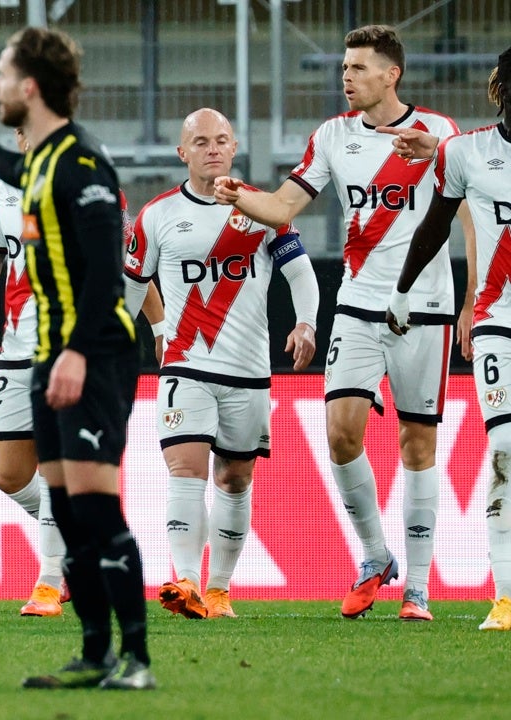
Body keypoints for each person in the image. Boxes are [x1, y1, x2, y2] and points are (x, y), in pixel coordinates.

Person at [214, 25, 475, 621]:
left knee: (417, 443)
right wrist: (239, 195)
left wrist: (468, 302)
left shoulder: (440, 134)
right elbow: (283, 206)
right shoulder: (333, 135)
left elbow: (472, 215)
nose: (346, 77)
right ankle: (375, 555)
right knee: (340, 432)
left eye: (358, 68)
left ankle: (417, 591)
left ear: (392, 74)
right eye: (344, 68)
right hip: (356, 303)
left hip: (425, 307)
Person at [0, 26, 154, 690]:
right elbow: (17, 173)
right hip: (47, 356)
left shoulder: (84, 162)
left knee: (96, 508)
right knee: (65, 510)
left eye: (4, 76)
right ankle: (95, 652)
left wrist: (73, 350)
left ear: (30, 87)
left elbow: (105, 271)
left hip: (92, 356)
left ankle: (138, 661)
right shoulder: (39, 162)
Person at [0, 128, 163, 618]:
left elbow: (126, 267)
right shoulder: (2, 185)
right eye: (20, 128)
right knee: (8, 472)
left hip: (67, 344)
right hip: (16, 344)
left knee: (55, 462)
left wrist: (159, 327)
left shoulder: (89, 181)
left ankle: (48, 580)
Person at [125, 108, 319, 620]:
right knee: (185, 470)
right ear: (182, 152)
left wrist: (306, 323)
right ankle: (186, 581)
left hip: (249, 371)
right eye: (201, 141)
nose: (213, 149)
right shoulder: (158, 215)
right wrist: (144, 335)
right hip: (185, 367)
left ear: (234, 148)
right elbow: (131, 287)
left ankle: (219, 588)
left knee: (234, 479)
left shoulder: (265, 209)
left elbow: (301, 274)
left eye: (222, 140)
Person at [383, 47, 511, 631]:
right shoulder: (467, 153)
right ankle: (506, 597)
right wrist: (404, 288)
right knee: (506, 452)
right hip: (498, 321)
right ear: (500, 90)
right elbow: (437, 222)